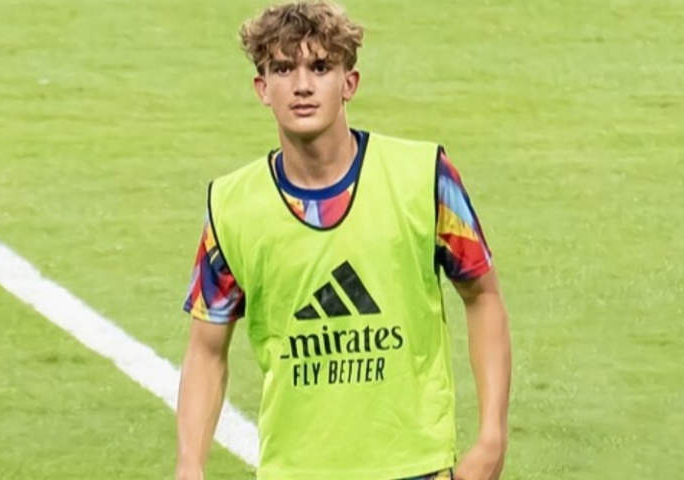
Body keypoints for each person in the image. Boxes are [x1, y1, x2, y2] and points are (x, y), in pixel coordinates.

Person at [176, 2, 512, 480]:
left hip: (414, 467)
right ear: (262, 88)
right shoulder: (232, 206)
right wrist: (189, 465)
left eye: (320, 67)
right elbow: (206, 349)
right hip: (296, 471)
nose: (302, 85)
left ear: (349, 83)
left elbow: (484, 297)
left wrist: (492, 437)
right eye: (283, 68)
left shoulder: (423, 176)